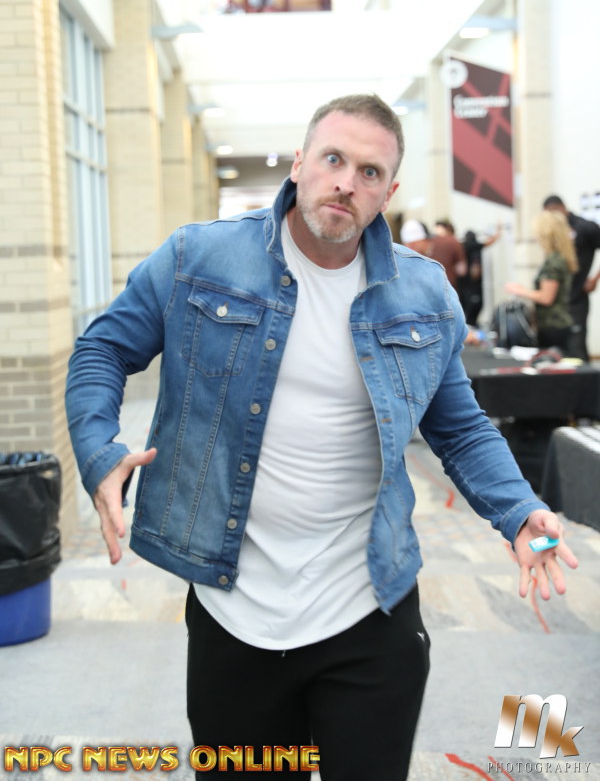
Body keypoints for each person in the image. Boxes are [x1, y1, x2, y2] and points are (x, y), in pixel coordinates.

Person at [65, 94, 577, 781]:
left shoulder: (423, 294)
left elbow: (460, 427)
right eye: (333, 159)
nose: (346, 183)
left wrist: (518, 508)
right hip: (233, 615)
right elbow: (102, 349)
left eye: (370, 172)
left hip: (369, 612)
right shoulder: (199, 257)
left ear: (389, 192)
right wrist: (99, 451)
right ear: (299, 163)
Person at [505, 210, 578, 351]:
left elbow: (546, 298)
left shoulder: (553, 262)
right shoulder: (561, 258)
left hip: (553, 326)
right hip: (558, 324)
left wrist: (520, 290)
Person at [543, 195, 600, 361]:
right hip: (557, 302)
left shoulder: (585, 227)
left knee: (577, 348)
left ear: (561, 207)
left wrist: (594, 279)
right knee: (559, 351)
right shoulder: (553, 231)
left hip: (576, 297)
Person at [457, 225, 502, 326]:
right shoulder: (473, 246)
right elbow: (488, 243)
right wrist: (498, 231)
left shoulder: (461, 245)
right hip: (470, 283)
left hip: (461, 283)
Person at [427, 220, 467, 290]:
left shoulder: (428, 242)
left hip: (430, 284)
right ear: (449, 230)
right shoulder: (454, 241)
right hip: (448, 285)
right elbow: (462, 270)